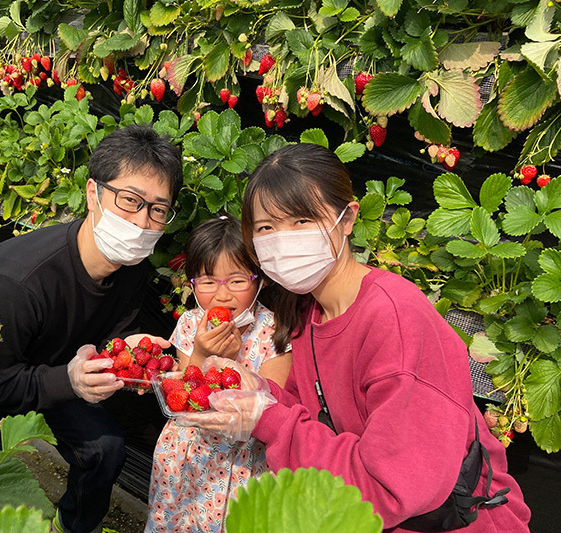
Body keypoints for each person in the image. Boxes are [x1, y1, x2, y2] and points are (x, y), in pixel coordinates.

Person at [179, 143, 530, 531]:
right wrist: (258, 391)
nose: (282, 239)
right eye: (266, 228)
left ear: (347, 218)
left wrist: (269, 419)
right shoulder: (308, 312)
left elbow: (389, 487)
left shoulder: (394, 318)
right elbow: (306, 410)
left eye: (301, 220)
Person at [0, 125, 183, 533]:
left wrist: (126, 348)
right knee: (6, 511)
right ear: (93, 193)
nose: (142, 222)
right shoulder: (18, 284)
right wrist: (70, 381)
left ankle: (72, 526)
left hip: (40, 367)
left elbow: (107, 331)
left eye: (157, 210)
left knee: (105, 449)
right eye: (130, 201)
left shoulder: (131, 268)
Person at [146, 216, 291, 533]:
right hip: (186, 453)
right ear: (192, 284)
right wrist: (202, 353)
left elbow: (269, 408)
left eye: (237, 281)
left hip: (240, 466)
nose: (222, 296)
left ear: (261, 280)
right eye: (208, 282)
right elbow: (181, 398)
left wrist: (231, 365)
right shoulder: (190, 323)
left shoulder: (274, 333)